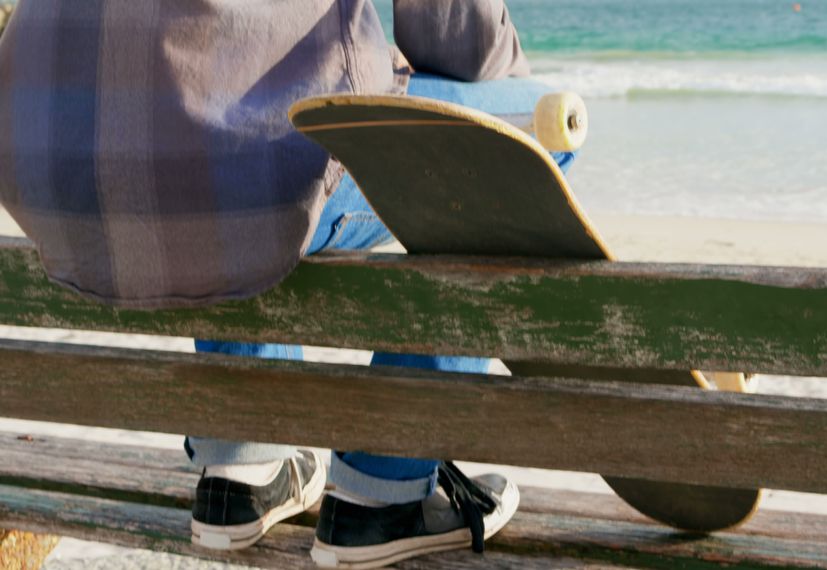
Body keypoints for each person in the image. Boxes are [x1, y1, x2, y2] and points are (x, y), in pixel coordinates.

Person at [0, 1, 555, 566]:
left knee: (215, 103)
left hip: (46, 164)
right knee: (537, 126)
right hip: (231, 164)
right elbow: (457, 39)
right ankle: (384, 490)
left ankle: (243, 459)